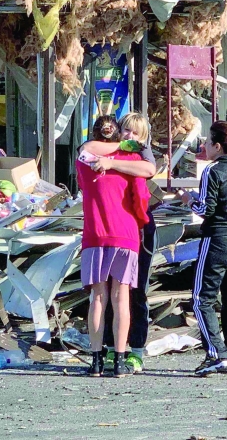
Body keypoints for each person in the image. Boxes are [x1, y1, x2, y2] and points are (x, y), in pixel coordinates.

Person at [76, 115, 150, 378]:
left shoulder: (84, 159)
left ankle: (96, 361)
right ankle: (119, 360)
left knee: (97, 298)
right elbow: (142, 193)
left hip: (95, 234)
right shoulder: (130, 161)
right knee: (122, 299)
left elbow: (86, 149)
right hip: (126, 234)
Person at [185, 121, 227, 377]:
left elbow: (205, 210)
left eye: (207, 142)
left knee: (201, 298)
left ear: (216, 146)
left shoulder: (211, 171)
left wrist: (188, 200)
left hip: (216, 240)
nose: (203, 146)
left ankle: (217, 353)